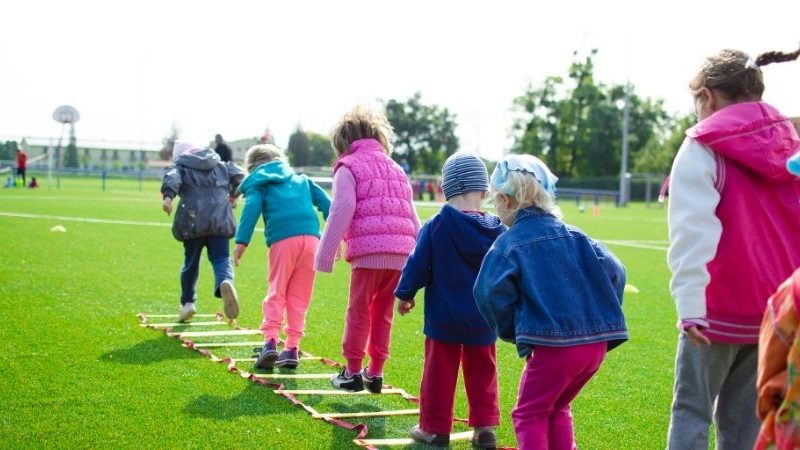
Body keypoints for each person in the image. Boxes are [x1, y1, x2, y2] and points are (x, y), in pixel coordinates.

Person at [666, 47, 800, 450]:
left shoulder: (702, 145)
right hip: (779, 311)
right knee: (745, 421)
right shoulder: (791, 142)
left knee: (692, 411)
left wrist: (690, 307)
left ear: (707, 96)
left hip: (715, 308)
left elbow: (693, 232)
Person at [473, 154, 628, 450]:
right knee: (557, 407)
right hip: (594, 348)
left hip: (554, 348)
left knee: (529, 413)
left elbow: (488, 293)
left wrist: (514, 329)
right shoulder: (578, 236)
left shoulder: (508, 243)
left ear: (505, 200)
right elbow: (616, 271)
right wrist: (600, 314)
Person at [395, 153, 505, 449]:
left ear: (444, 189)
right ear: (483, 191)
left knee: (438, 374)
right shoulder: (499, 229)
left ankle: (434, 429)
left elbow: (417, 264)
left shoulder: (436, 225)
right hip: (483, 318)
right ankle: (484, 429)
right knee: (483, 373)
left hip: (443, 318)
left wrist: (405, 294)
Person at [315, 105, 420, 393]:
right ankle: (375, 373)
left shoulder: (348, 167)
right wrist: (421, 261)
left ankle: (351, 373)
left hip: (368, 254)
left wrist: (325, 253)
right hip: (401, 255)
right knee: (382, 314)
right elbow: (412, 216)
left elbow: (343, 208)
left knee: (358, 311)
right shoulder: (397, 169)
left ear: (343, 143)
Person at [234, 144, 331, 370]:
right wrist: (336, 237)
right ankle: (292, 349)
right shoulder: (302, 180)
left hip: (283, 240)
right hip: (312, 241)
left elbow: (251, 209)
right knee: (300, 296)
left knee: (277, 291)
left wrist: (241, 242)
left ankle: (269, 343)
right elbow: (329, 205)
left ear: (252, 167)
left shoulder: (260, 183)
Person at [161, 140, 244, 322]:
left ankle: (187, 303)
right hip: (220, 217)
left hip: (192, 219)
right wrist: (233, 194)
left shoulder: (181, 166)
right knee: (221, 258)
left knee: (191, 262)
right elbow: (239, 175)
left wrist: (168, 197)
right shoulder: (219, 164)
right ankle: (224, 281)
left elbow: (172, 177)